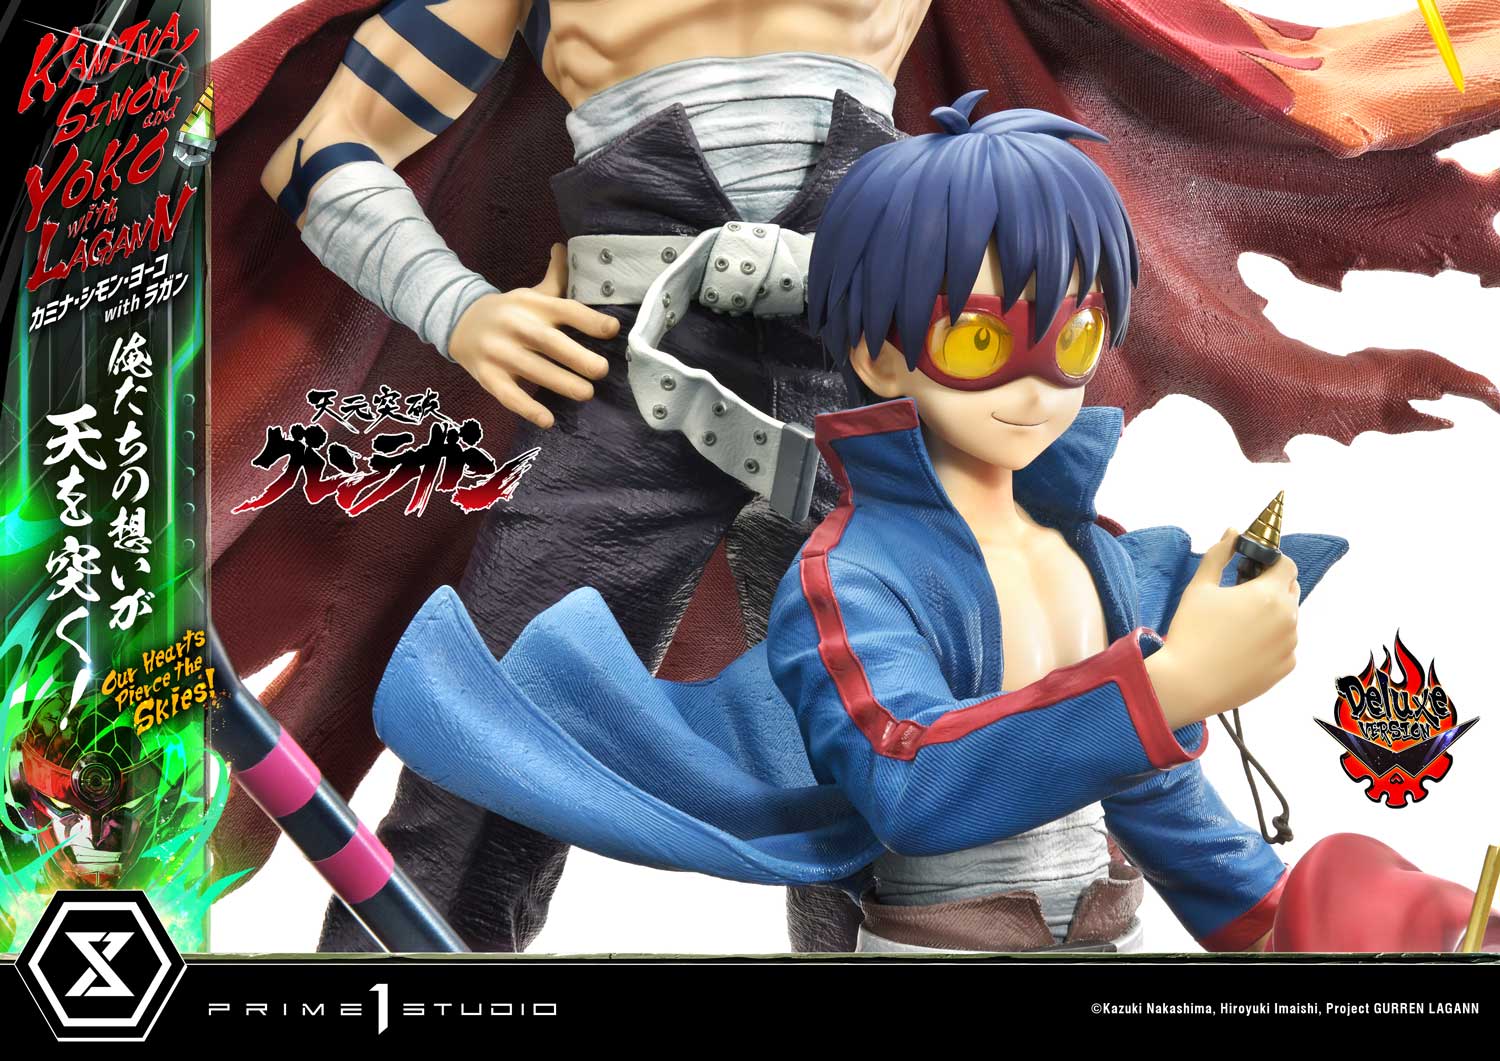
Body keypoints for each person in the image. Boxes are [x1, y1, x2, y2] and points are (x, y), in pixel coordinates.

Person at [375, 96, 1351, 952]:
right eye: (982, 340)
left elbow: (1154, 795)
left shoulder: (1086, 546)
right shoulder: (851, 575)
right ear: (881, 359)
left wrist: (1280, 920)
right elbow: (907, 785)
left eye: (1076, 334)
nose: (1038, 387)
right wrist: (1166, 685)